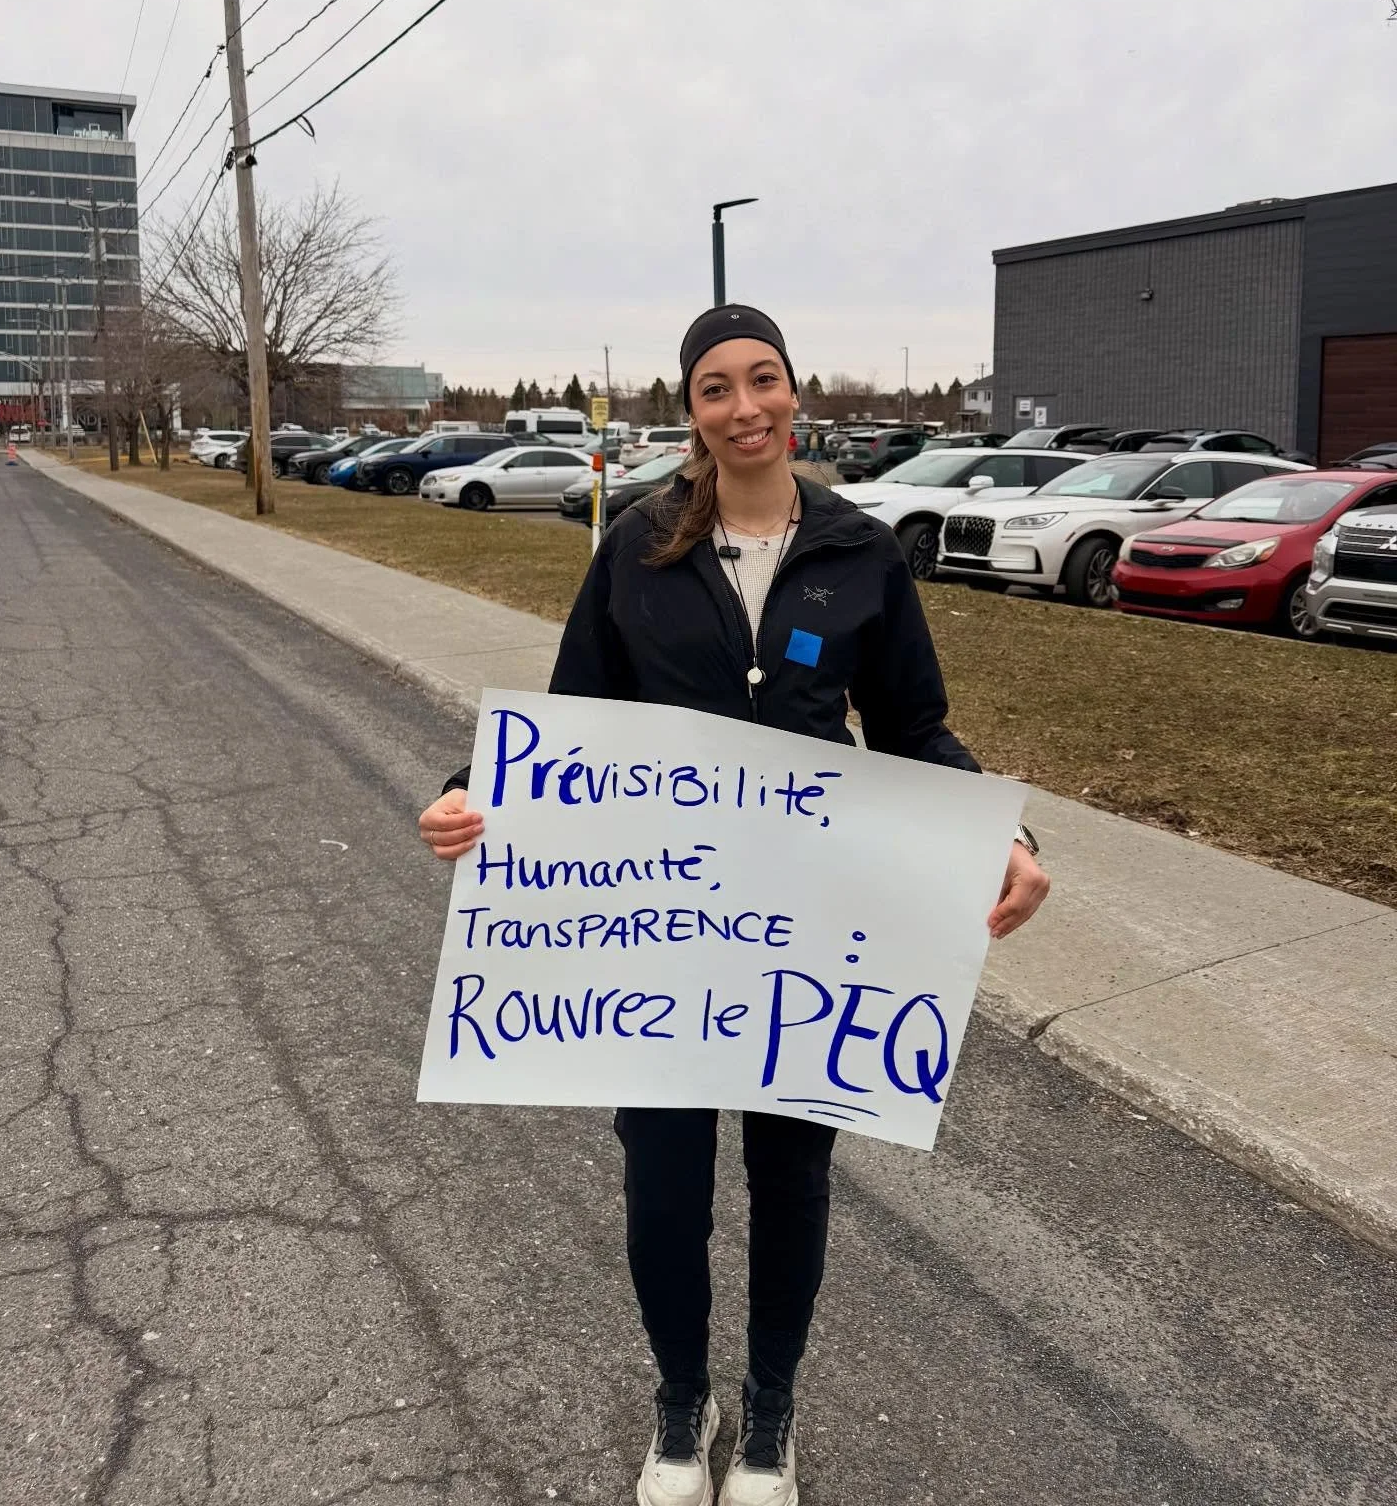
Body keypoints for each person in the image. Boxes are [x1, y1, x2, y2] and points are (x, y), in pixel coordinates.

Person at [419, 304, 1049, 1506]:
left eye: (764, 380)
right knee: (662, 1186)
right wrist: (467, 797)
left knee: (789, 1183)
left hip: (804, 938)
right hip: (656, 935)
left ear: (795, 394)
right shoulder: (639, 547)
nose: (745, 406)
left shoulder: (862, 552)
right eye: (717, 387)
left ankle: (769, 1411)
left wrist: (1005, 832)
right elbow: (573, 721)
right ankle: (678, 1401)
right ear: (692, 409)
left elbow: (914, 728)